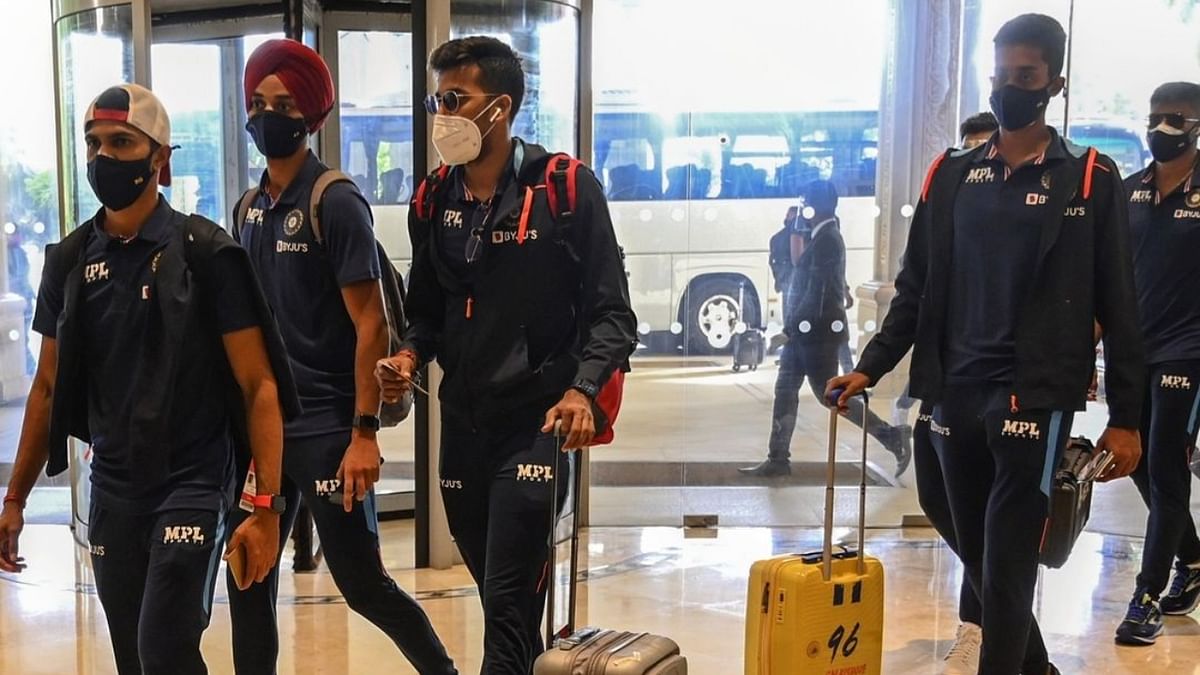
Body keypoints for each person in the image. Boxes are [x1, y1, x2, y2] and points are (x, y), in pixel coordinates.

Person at [829, 14, 1144, 675]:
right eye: (1001, 76)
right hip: (954, 395)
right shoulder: (951, 174)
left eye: (1024, 77)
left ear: (1053, 83)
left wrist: (1126, 417)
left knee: (1006, 567)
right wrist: (870, 367)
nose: (1009, 89)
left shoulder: (1090, 177)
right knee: (980, 558)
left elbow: (1120, 305)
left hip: (1033, 397)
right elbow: (914, 288)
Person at [0, 83, 298, 675]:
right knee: (137, 660)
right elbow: (49, 386)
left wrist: (264, 508)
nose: (103, 157)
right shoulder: (69, 260)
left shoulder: (206, 252)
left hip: (194, 478)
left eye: (121, 142)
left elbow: (258, 385)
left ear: (159, 158)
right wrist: (16, 499)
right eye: (94, 144)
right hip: (113, 486)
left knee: (163, 645)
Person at [374, 36, 637, 674]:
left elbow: (614, 315)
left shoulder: (564, 190)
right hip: (462, 429)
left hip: (536, 428)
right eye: (437, 99)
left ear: (502, 107)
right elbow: (427, 314)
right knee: (503, 603)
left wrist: (582, 390)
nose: (442, 113)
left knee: (511, 604)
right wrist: (407, 357)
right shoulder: (433, 200)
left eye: (455, 98)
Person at [226, 39, 458, 675]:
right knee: (249, 576)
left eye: (282, 103)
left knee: (362, 585)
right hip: (268, 435)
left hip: (330, 432)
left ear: (312, 116)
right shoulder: (248, 209)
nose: (266, 115)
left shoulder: (335, 201)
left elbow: (372, 323)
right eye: (257, 103)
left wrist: (363, 434)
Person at [895, 109, 1002, 674]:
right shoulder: (946, 217)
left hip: (1005, 389)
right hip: (944, 382)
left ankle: (982, 629)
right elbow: (911, 290)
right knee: (945, 504)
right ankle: (1002, 618)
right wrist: (872, 366)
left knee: (987, 519)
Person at [741, 179, 909, 478]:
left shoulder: (828, 239)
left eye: (805, 201)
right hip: (807, 335)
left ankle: (891, 436)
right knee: (785, 391)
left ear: (814, 207)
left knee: (829, 395)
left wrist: (791, 329)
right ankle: (778, 457)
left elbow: (815, 294)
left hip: (816, 336)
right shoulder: (823, 235)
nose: (802, 206)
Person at [1115, 81, 1200, 645]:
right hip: (1131, 352)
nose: (1160, 128)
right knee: (1139, 465)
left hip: (1188, 355)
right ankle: (1192, 558)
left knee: (1167, 468)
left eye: (1175, 118)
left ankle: (1145, 597)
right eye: (1154, 117)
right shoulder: (1128, 192)